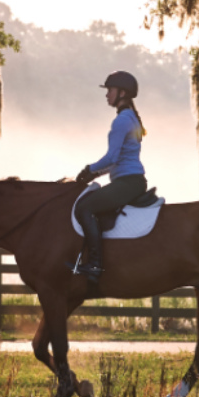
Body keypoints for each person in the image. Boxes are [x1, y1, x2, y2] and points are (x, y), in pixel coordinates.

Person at [70, 70, 148, 284]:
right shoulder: (130, 117)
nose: (107, 95)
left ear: (122, 93)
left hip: (128, 182)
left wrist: (88, 169)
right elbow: (115, 161)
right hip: (130, 180)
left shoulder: (122, 120)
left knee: (84, 207)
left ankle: (95, 264)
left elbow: (111, 157)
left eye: (110, 90)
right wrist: (94, 174)